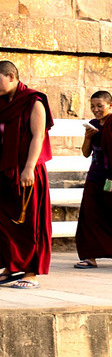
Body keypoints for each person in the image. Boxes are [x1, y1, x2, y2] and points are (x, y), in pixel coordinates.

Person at [0, 60, 52, 289]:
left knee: (29, 221)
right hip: (4, 166)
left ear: (12, 76)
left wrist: (28, 168)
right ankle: (11, 264)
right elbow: (1, 134)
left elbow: (38, 136)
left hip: (27, 167)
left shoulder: (34, 101)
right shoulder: (1, 103)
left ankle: (30, 272)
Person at [74, 90, 112, 268]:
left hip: (111, 176)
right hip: (95, 175)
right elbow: (85, 153)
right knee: (89, 216)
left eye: (100, 106)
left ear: (110, 106)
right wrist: (88, 137)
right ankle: (89, 257)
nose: (96, 110)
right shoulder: (93, 125)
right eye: (93, 107)